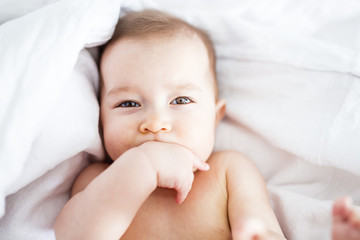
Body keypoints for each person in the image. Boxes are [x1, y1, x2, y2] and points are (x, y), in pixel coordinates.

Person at [54, 9, 358, 240]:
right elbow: (76, 234)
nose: (156, 122)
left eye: (181, 101)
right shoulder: (100, 179)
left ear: (215, 116)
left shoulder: (228, 170)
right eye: (129, 104)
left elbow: (263, 227)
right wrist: (141, 166)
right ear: (100, 118)